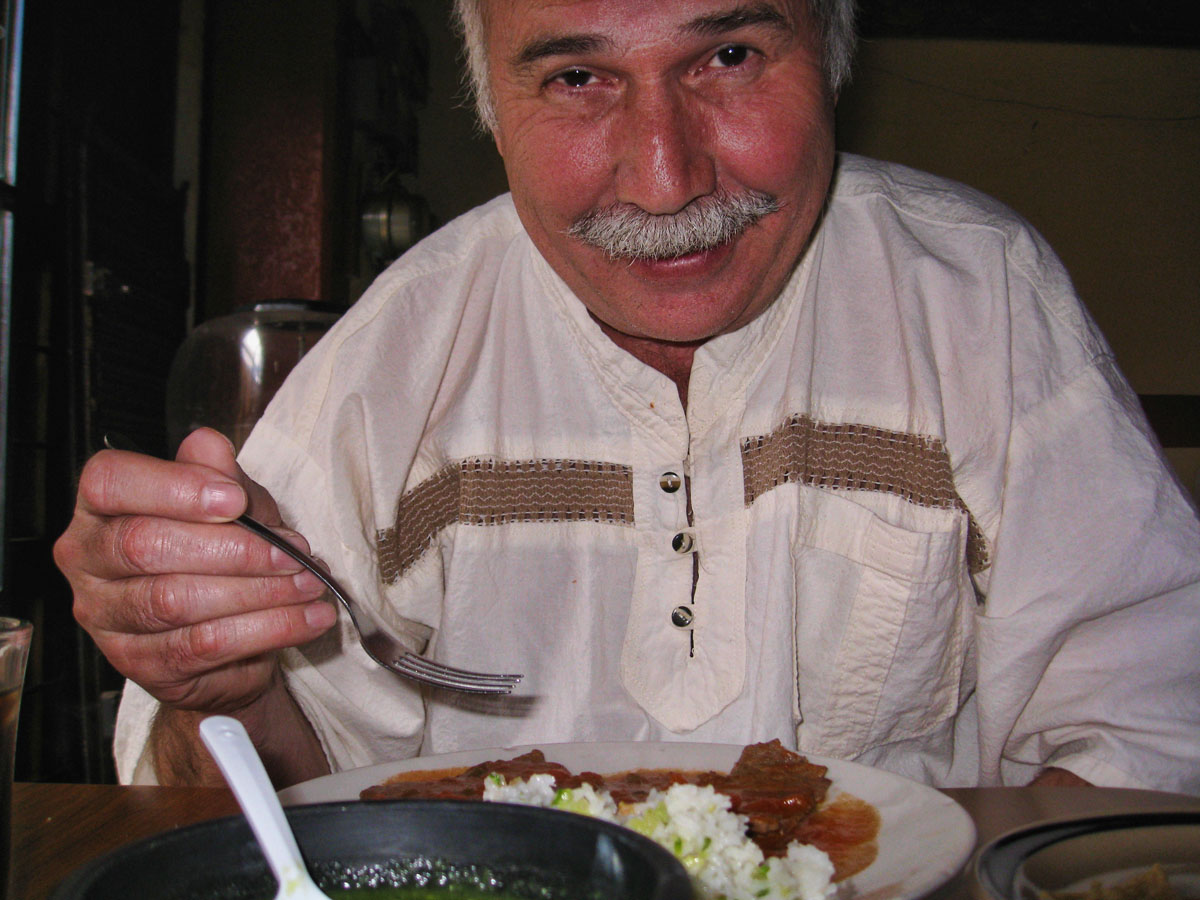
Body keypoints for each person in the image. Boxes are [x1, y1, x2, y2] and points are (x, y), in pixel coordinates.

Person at [54, 0, 1200, 793]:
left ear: (835, 54)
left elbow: (1156, 728)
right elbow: (277, 809)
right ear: (491, 108)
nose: (665, 179)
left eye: (730, 56)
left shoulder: (980, 300)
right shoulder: (392, 367)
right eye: (577, 78)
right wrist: (219, 687)